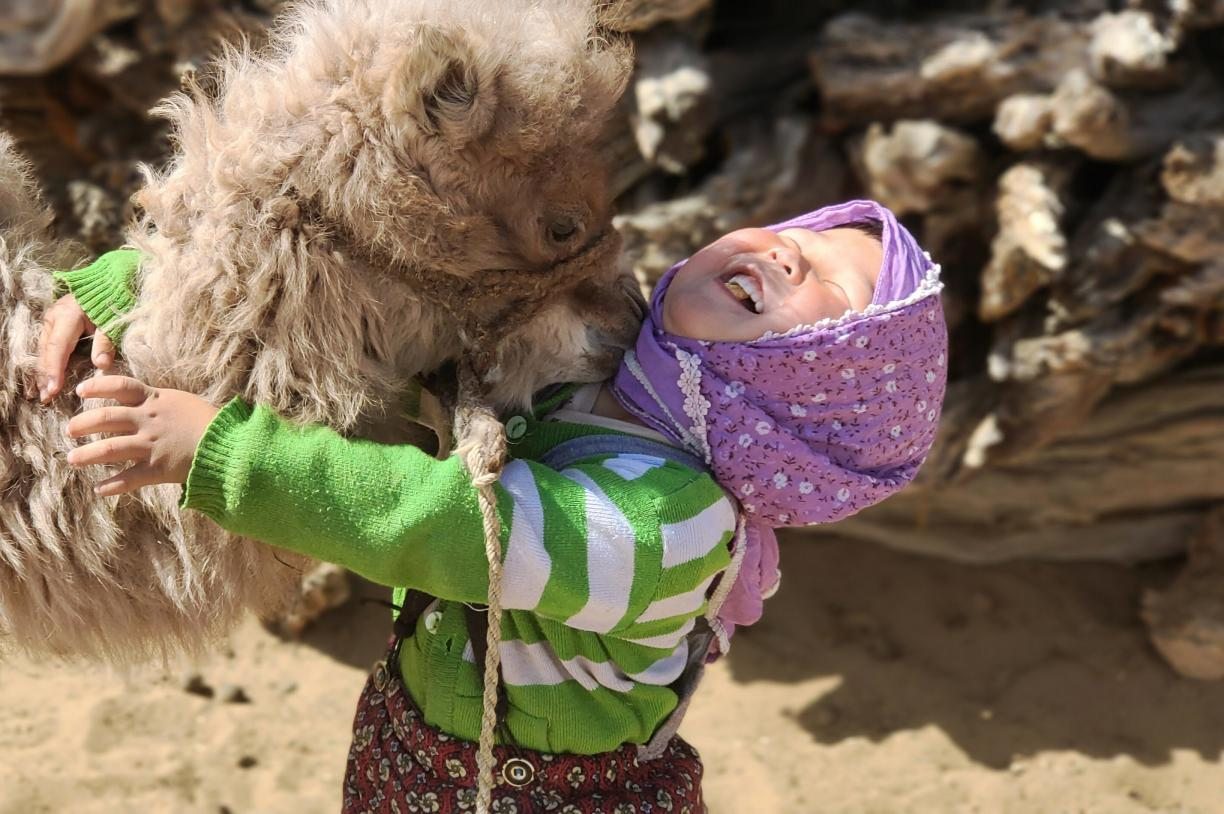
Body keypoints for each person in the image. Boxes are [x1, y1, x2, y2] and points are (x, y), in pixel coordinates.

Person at [40, 199, 947, 812]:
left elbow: (454, 526)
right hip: (413, 758)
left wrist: (223, 451)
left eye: (836, 284)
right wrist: (149, 297)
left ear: (811, 388)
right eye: (812, 231)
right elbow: (371, 310)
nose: (794, 248)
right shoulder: (581, 358)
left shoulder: (673, 527)